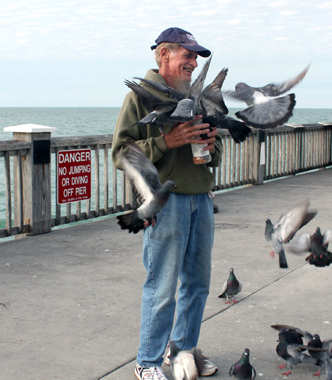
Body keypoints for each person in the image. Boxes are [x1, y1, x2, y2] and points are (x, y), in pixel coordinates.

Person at [112, 27, 223, 380]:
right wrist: (167, 140)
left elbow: (212, 157)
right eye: (187, 55)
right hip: (166, 204)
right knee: (162, 286)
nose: (193, 62)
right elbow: (119, 154)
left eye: (196, 57)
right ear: (164, 55)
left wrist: (211, 143)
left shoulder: (197, 97)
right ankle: (147, 363)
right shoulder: (139, 97)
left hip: (202, 200)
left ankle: (184, 352)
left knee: (198, 285)